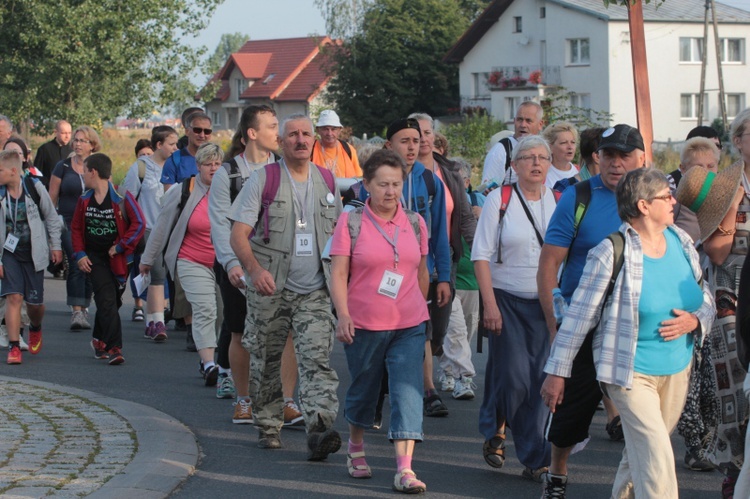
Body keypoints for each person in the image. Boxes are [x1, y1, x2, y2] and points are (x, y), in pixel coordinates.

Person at [543, 167, 715, 498]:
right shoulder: (612, 251)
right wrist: (557, 372)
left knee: (642, 453)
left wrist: (696, 321)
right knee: (657, 457)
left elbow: (703, 293)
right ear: (643, 205)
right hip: (628, 372)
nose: (674, 202)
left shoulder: (680, 240)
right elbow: (579, 317)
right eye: (666, 196)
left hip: (677, 368)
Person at [536, 124, 646, 498]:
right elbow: (549, 264)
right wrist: (555, 325)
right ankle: (557, 473)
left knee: (642, 410)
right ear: (597, 156)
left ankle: (638, 482)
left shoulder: (656, 199)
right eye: (608, 155)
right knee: (571, 409)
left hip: (635, 322)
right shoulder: (578, 196)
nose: (615, 163)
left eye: (624, 156)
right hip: (583, 319)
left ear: (641, 159)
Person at [229, 114, 342, 458]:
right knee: (266, 359)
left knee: (317, 360)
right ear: (281, 142)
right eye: (292, 134)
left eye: (306, 134)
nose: (301, 140)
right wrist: (254, 270)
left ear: (314, 140)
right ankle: (268, 424)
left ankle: (319, 429)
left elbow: (338, 237)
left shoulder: (327, 180)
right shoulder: (264, 179)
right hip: (271, 288)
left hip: (315, 292)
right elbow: (237, 235)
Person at [330, 149, 430, 493]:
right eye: (383, 184)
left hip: (409, 323)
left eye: (396, 184)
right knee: (365, 389)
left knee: (407, 391)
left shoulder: (416, 223)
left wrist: (421, 307)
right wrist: (343, 314)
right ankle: (355, 446)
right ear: (366, 185)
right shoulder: (351, 221)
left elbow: (421, 272)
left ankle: (405, 469)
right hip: (365, 323)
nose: (391, 191)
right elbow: (339, 271)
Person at [347, 118, 452, 418]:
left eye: (416, 141)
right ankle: (414, 390)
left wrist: (442, 275)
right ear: (388, 145)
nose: (411, 147)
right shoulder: (365, 187)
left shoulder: (431, 181)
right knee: (382, 337)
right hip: (375, 278)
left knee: (424, 330)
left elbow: (440, 235)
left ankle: (420, 386)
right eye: (404, 141)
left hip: (418, 272)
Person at [209, 105, 303, 427]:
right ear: (252, 133)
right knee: (240, 333)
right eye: (271, 126)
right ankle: (244, 399)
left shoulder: (284, 169)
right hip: (237, 266)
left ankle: (287, 401)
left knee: (286, 331)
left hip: (279, 265)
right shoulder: (228, 174)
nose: (278, 133)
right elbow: (221, 225)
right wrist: (234, 263)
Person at [473, 136, 556, 482]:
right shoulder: (498, 199)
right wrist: (489, 305)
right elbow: (481, 255)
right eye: (528, 157)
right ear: (514, 165)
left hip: (547, 304)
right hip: (506, 299)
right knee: (515, 376)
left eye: (542, 157)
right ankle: (500, 429)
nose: (536, 163)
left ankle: (535, 456)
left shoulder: (559, 201)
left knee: (541, 379)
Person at [676, 109, 750, 498]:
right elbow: (717, 253)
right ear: (737, 141)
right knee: (733, 386)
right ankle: (734, 468)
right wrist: (732, 204)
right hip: (732, 292)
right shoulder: (722, 184)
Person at [141, 143, 224, 385]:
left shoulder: (231, 190)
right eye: (208, 164)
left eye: (218, 164)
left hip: (223, 263)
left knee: (222, 314)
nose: (213, 168)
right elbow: (160, 227)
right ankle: (209, 363)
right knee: (205, 309)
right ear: (198, 167)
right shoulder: (183, 190)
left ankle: (214, 357)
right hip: (191, 259)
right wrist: (147, 260)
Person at [409, 112, 477, 405]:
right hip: (408, 263)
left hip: (444, 259)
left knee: (438, 329)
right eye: (416, 133)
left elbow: (464, 216)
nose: (423, 138)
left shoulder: (448, 172)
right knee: (423, 328)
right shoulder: (399, 172)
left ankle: (429, 364)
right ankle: (425, 390)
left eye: (427, 132)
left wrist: (482, 256)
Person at [71, 153, 145, 366]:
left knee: (113, 302)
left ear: (93, 172)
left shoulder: (122, 197)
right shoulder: (84, 200)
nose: (83, 175)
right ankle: (115, 348)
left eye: (85, 171)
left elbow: (139, 223)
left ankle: (99, 340)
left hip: (120, 260)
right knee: (106, 299)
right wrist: (80, 254)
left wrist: (121, 246)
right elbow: (75, 228)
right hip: (94, 259)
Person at [0, 150, 62, 364]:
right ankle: (14, 345)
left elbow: (52, 217)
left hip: (34, 252)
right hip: (9, 253)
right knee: (14, 297)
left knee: (35, 305)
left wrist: (56, 246)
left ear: (13, 171)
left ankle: (35, 326)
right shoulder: (0, 193)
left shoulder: (34, 188)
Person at [121, 126, 179, 341]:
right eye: (171, 144)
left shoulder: (176, 168)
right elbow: (126, 199)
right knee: (156, 274)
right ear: (159, 145)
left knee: (165, 275)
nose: (175, 148)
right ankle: (156, 322)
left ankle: (157, 318)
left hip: (172, 230)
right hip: (148, 230)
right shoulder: (141, 168)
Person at [438, 158, 482, 400]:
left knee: (466, 332)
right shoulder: (442, 205)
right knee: (453, 329)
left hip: (473, 280)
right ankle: (461, 377)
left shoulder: (478, 203)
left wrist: (483, 214)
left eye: (458, 180)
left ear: (466, 182)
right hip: (451, 276)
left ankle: (450, 370)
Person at [49, 126, 100, 330]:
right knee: (76, 259)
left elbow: (107, 194)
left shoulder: (97, 166)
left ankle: (84, 305)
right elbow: (51, 198)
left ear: (92, 145)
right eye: (76, 140)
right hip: (67, 223)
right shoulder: (62, 166)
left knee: (89, 265)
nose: (77, 144)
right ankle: (77, 311)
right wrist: (50, 228)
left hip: (92, 223)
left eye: (82, 140)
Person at [482, 101, 545, 186]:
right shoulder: (501, 150)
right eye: (519, 120)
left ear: (540, 124)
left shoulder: (545, 150)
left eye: (528, 121)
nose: (523, 125)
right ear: (514, 121)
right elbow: (486, 188)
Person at [160, 112, 212, 189]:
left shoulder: (217, 160)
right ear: (187, 132)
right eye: (197, 130)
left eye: (207, 131)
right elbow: (169, 196)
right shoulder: (174, 160)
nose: (202, 135)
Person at [311, 110, 362, 178]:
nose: (329, 133)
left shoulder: (349, 149)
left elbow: (359, 178)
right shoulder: (310, 149)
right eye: (326, 129)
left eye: (333, 129)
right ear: (318, 130)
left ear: (339, 130)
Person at [34, 120, 72, 187]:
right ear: (55, 132)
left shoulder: (73, 150)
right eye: (63, 133)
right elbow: (37, 173)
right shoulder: (44, 149)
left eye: (69, 133)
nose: (67, 136)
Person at [543, 122, 579, 189]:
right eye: (564, 143)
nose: (570, 147)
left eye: (573, 142)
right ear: (550, 147)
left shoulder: (580, 172)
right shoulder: (542, 174)